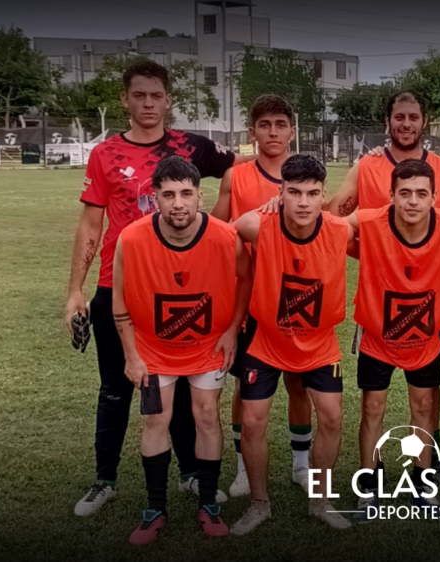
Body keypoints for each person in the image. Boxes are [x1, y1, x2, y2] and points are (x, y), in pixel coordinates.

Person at [67, 60, 239, 516]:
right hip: (117, 287)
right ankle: (104, 480)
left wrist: (220, 218)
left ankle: (187, 473)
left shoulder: (191, 146)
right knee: (117, 387)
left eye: (156, 95)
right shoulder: (105, 154)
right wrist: (75, 291)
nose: (148, 103)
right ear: (124, 100)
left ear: (168, 100)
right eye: (138, 95)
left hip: (181, 288)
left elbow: (241, 170)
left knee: (181, 386)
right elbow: (90, 224)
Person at [112, 157, 250, 545]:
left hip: (208, 347)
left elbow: (246, 278)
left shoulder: (225, 236)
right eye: (168, 194)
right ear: (154, 197)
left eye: (186, 194)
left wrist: (231, 330)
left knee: (207, 416)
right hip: (153, 351)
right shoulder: (133, 239)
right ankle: (155, 508)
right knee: (156, 421)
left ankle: (208, 503)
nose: (178, 203)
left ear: (199, 197)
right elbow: (119, 303)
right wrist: (132, 355)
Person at [326, 90, 440, 465]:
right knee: (374, 402)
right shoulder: (367, 166)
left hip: (426, 299)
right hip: (381, 299)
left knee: (427, 394)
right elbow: (334, 219)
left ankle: (426, 461)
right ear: (388, 121)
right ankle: (372, 471)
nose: (405, 124)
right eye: (398, 117)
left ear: (424, 121)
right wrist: (370, 253)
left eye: (413, 117)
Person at [230, 155, 355, 535]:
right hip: (267, 341)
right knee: (252, 421)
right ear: (280, 193)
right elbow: (235, 225)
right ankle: (259, 504)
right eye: (294, 192)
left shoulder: (340, 230)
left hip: (319, 344)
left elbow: (386, 219)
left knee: (332, 417)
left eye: (312, 194)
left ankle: (320, 500)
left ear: (323, 196)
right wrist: (265, 205)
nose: (303, 202)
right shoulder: (258, 225)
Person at [210, 94, 315, 497]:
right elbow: (217, 232)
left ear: (292, 130)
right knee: (244, 387)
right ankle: (242, 467)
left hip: (296, 295)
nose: (273, 132)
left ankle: (301, 464)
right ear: (252, 131)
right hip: (248, 296)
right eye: (265, 125)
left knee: (299, 385)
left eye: (280, 125)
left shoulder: (305, 178)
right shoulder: (236, 177)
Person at [347, 159, 440, 521]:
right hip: (377, 334)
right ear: (391, 195)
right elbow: (321, 223)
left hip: (424, 335)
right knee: (372, 408)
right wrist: (275, 205)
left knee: (423, 408)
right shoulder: (367, 221)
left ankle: (422, 484)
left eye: (421, 194)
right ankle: (370, 484)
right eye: (405, 193)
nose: (413, 201)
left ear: (434, 197)